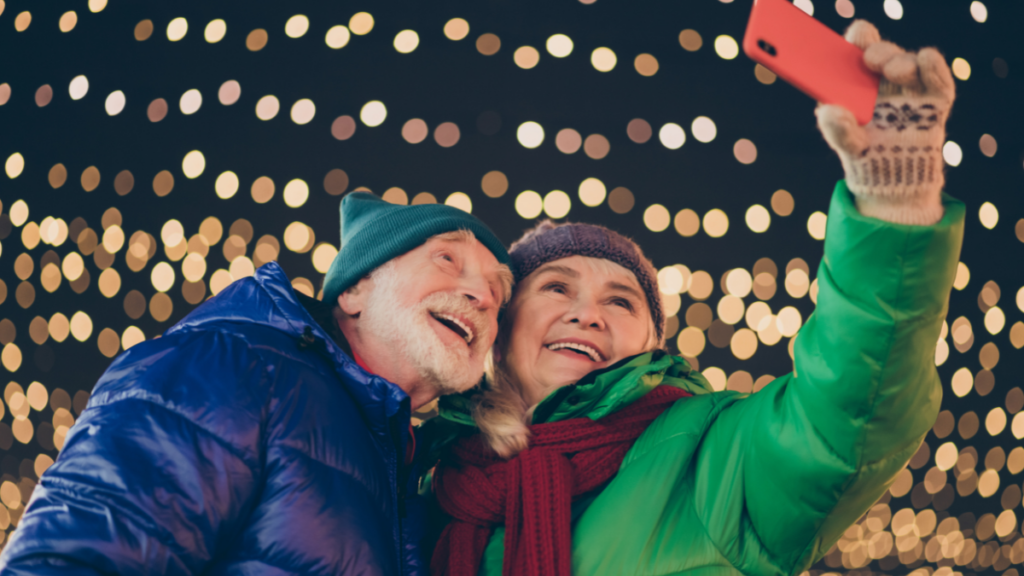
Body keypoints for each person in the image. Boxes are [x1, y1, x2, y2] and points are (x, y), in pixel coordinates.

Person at [421, 21, 964, 576]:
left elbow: (847, 414)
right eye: (557, 287)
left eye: (622, 302)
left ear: (653, 346)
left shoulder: (710, 455)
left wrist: (894, 213)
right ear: (503, 323)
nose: (587, 314)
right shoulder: (431, 477)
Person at [0, 193, 513, 575]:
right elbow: (73, 561)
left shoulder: (414, 472)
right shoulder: (234, 367)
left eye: (496, 292)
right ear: (356, 288)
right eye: (447, 259)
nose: (481, 296)